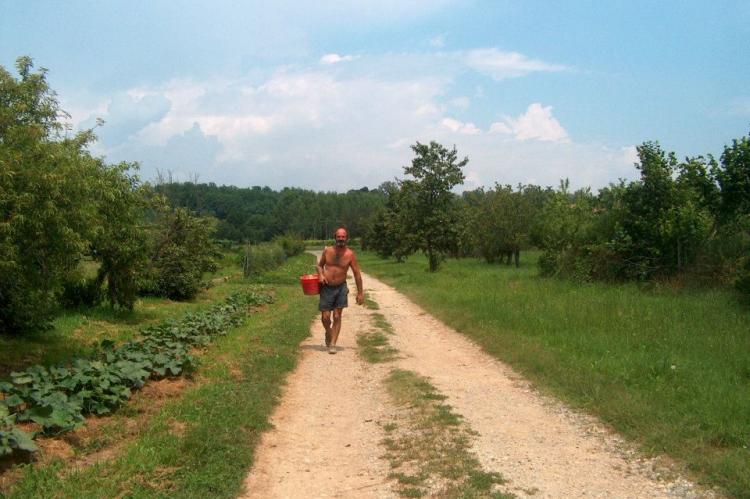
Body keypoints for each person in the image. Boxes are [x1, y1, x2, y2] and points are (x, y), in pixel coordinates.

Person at [316, 227, 364, 354]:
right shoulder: (327, 251)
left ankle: (333, 344)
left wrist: (360, 293)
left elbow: (357, 274)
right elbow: (319, 266)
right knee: (325, 317)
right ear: (335, 237)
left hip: (341, 288)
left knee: (337, 316)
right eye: (339, 236)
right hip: (326, 287)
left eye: (343, 236)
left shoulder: (350, 254)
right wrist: (320, 275)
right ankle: (328, 331)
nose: (341, 239)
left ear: (346, 238)